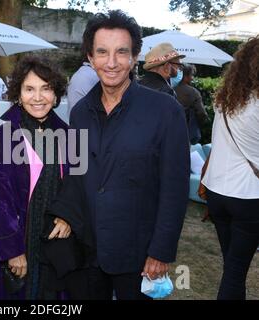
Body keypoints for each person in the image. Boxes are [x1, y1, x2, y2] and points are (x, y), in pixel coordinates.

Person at [50, 10, 190, 300]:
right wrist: (65, 214)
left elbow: (174, 189)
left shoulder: (165, 111)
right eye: (102, 52)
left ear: (135, 57)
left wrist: (160, 251)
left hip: (139, 254)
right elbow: (77, 172)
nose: (111, 63)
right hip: (88, 251)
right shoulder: (79, 113)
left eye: (121, 52)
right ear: (90, 57)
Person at [0, 56, 75, 300]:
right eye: (29, 89)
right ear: (18, 94)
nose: (37, 97)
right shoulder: (5, 136)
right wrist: (12, 250)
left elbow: (78, 185)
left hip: (57, 247)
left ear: (56, 94)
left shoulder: (69, 134)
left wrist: (68, 216)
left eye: (46, 88)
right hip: (22, 244)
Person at [201, 36, 259, 300]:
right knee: (235, 270)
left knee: (232, 266)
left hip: (217, 193)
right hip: (247, 196)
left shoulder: (226, 99)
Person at [175, 63, 209, 144]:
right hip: (188, 132)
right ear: (186, 76)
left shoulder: (171, 89)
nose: (192, 78)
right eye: (191, 75)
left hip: (172, 131)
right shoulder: (193, 92)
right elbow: (202, 113)